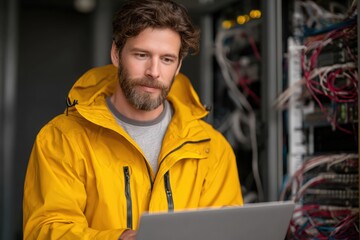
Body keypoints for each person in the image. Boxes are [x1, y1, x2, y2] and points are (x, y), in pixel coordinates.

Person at [23, 0, 243, 239]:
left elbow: (228, 231)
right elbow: (45, 230)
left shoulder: (212, 148)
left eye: (167, 59)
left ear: (178, 66)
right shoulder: (62, 139)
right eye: (141, 55)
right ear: (116, 54)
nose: (154, 71)